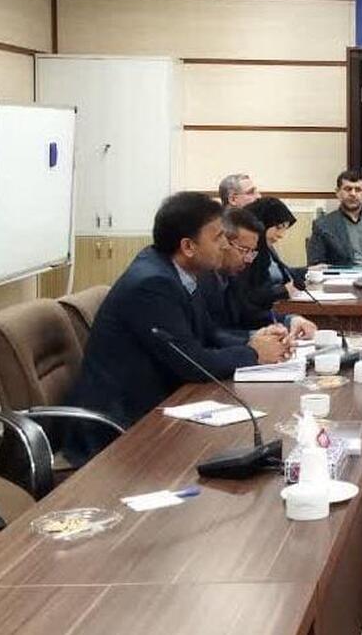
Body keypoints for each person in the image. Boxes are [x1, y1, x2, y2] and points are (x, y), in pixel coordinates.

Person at [64, 192, 291, 465]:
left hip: (162, 403)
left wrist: (255, 338)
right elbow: (192, 362)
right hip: (122, 427)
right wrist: (253, 353)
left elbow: (209, 333)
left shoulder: (177, 271)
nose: (225, 245)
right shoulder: (152, 284)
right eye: (218, 237)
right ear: (188, 246)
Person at [198, 208, 316, 343]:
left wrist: (290, 320)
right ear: (222, 243)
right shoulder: (201, 280)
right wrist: (253, 339)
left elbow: (251, 313)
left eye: (252, 252)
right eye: (244, 250)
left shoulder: (234, 274)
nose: (249, 259)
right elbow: (210, 336)